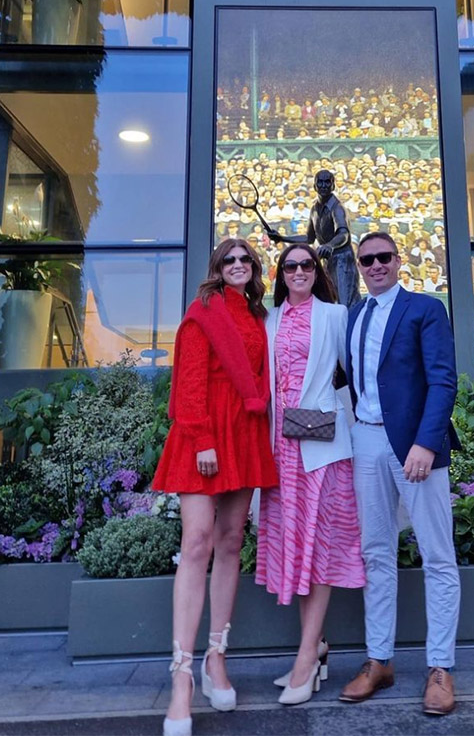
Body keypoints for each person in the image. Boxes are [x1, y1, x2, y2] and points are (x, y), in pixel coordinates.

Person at [153, 239, 277, 736]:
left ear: (254, 269)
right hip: (203, 435)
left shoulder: (258, 317)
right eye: (230, 260)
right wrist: (203, 437)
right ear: (217, 268)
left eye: (246, 260)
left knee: (230, 543)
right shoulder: (202, 310)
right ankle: (181, 676)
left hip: (244, 435)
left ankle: (215, 659)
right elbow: (188, 381)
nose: (238, 266)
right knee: (198, 541)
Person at [340, 232, 461, 716]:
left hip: (416, 447)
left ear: (398, 261)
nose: (374, 266)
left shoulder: (425, 309)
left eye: (383, 257)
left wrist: (426, 443)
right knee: (376, 554)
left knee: (437, 555)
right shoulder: (354, 315)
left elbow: (442, 379)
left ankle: (440, 668)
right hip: (364, 439)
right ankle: (379, 660)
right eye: (366, 260)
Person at [256, 244, 365, 705]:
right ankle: (315, 648)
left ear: (315, 272)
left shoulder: (336, 315)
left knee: (317, 547)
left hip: (321, 448)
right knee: (297, 547)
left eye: (306, 265)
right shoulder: (269, 320)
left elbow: (358, 375)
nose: (298, 271)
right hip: (281, 449)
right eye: (290, 266)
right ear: (281, 274)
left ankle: (305, 658)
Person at [267, 169, 361, 309]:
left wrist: (329, 245)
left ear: (333, 185)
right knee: (329, 301)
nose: (323, 186)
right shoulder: (315, 209)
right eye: (320, 182)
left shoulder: (337, 208)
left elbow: (343, 234)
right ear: (315, 185)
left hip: (342, 260)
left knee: (345, 304)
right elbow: (309, 237)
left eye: (327, 182)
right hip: (328, 260)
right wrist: (282, 238)